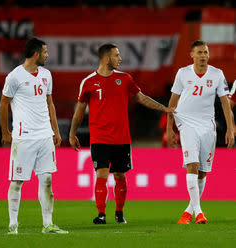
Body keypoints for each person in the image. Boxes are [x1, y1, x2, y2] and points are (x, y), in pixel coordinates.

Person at [69, 43, 175, 225]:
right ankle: (101, 214)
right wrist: (72, 134)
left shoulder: (125, 79)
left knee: (119, 175)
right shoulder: (88, 82)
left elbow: (141, 98)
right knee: (101, 173)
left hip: (121, 138)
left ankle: (119, 212)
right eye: (117, 55)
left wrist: (163, 108)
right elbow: (79, 110)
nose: (120, 58)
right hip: (99, 137)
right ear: (107, 58)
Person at [0, 37, 68, 234]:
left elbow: (50, 103)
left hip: (45, 136)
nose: (47, 55)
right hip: (24, 137)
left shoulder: (46, 74)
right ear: (36, 53)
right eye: (45, 52)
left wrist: (55, 130)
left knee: (46, 180)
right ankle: (13, 224)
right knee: (17, 181)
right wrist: (6, 132)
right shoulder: (14, 76)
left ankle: (48, 224)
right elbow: (4, 104)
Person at [167, 40, 234, 224]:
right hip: (186, 122)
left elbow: (225, 103)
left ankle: (189, 211)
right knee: (193, 165)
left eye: (205, 52)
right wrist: (170, 129)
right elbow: (172, 104)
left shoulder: (217, 74)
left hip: (207, 126)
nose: (203, 56)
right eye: (199, 52)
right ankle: (199, 212)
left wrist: (229, 128)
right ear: (192, 55)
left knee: (203, 172)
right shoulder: (183, 73)